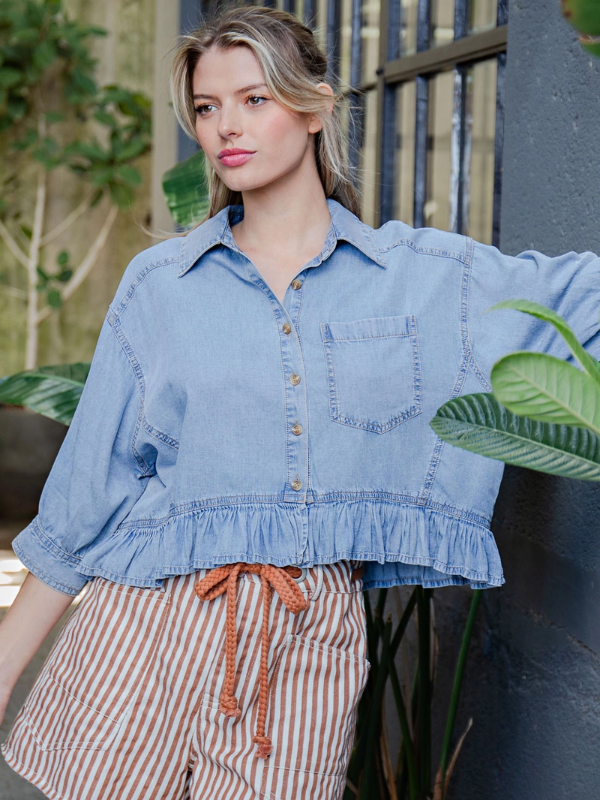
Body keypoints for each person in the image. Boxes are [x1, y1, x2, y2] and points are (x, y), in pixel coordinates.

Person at [0, 5, 599, 800]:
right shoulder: (160, 287)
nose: (224, 128)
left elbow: (578, 298)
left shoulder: (424, 277)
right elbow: (83, 500)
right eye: (208, 108)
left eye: (255, 100)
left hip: (311, 632)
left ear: (315, 107)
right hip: (151, 618)